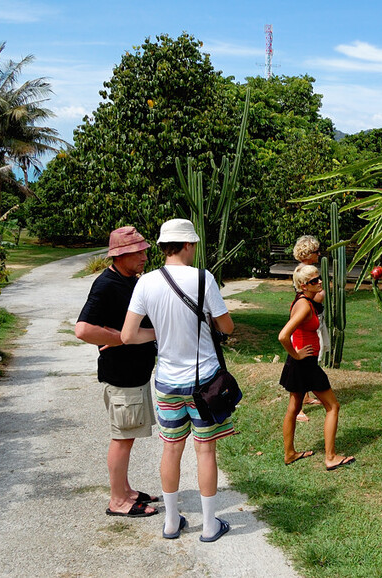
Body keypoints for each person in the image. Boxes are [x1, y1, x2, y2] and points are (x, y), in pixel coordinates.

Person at [121, 218, 235, 543]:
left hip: (167, 382)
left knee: (170, 450)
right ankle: (210, 525)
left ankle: (171, 522)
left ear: (162, 246)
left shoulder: (146, 283)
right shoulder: (204, 278)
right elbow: (226, 327)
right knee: (206, 451)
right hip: (204, 383)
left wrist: (160, 331)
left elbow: (128, 335)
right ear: (187, 245)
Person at [75, 226, 159, 518]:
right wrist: (118, 337)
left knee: (128, 435)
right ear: (120, 255)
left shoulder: (129, 280)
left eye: (145, 250)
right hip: (122, 376)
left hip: (135, 375)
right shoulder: (106, 284)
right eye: (138, 251)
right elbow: (83, 329)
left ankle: (126, 491)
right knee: (122, 438)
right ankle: (118, 501)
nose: (145, 256)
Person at [278, 263, 355, 470]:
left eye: (319, 278)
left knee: (293, 408)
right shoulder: (304, 305)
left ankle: (290, 454)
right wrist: (296, 354)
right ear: (303, 286)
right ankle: (330, 457)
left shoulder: (305, 301)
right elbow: (283, 335)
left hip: (300, 363)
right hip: (304, 363)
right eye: (314, 281)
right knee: (333, 406)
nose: (319, 282)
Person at [292, 235, 327, 421]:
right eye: (316, 252)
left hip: (312, 317)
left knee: (309, 361)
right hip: (308, 321)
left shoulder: (306, 271)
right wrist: (319, 293)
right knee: (304, 363)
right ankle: (297, 408)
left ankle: (305, 398)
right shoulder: (304, 273)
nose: (319, 254)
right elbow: (313, 297)